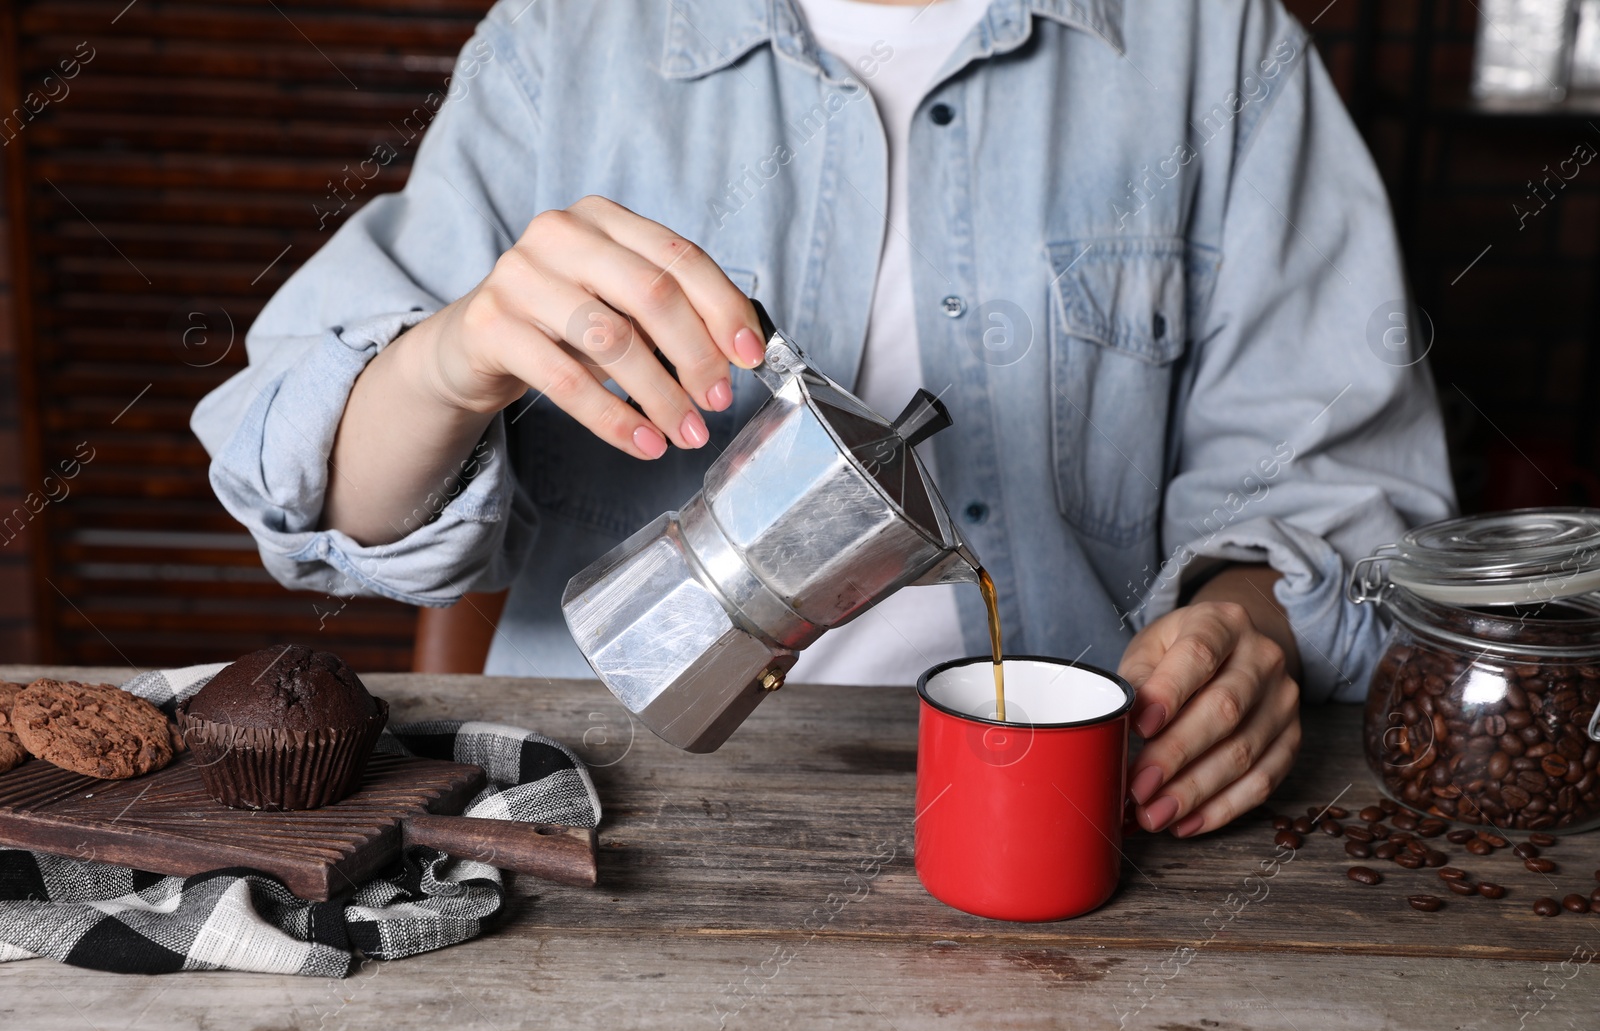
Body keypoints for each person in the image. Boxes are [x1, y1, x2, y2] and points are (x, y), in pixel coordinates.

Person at [192, 0, 1455, 838]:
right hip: (622, 810)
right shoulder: (570, 37)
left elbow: (1325, 483)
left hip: (1087, 815)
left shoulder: (1215, 44)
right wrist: (455, 356)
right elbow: (316, 501)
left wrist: (1244, 629)